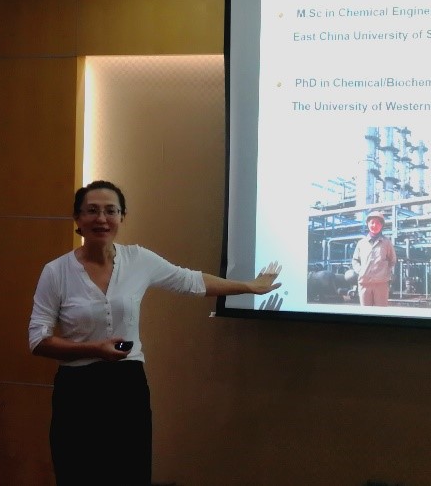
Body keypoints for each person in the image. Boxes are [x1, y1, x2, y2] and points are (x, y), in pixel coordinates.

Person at [28, 180, 282, 486]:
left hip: (127, 385)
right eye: (92, 211)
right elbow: (38, 340)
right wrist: (94, 349)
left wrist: (248, 287)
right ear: (78, 219)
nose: (102, 219)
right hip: (77, 389)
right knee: (78, 474)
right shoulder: (56, 271)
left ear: (122, 217)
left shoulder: (137, 259)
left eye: (111, 211)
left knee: (131, 473)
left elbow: (190, 281)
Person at [351, 210, 397, 306]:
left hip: (381, 284)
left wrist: (385, 273)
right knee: (366, 312)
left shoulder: (387, 243)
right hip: (364, 283)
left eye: (378, 223)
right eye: (372, 222)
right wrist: (361, 271)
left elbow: (392, 260)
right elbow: (355, 260)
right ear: (368, 224)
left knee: (380, 312)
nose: (374, 225)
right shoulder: (361, 243)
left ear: (382, 225)